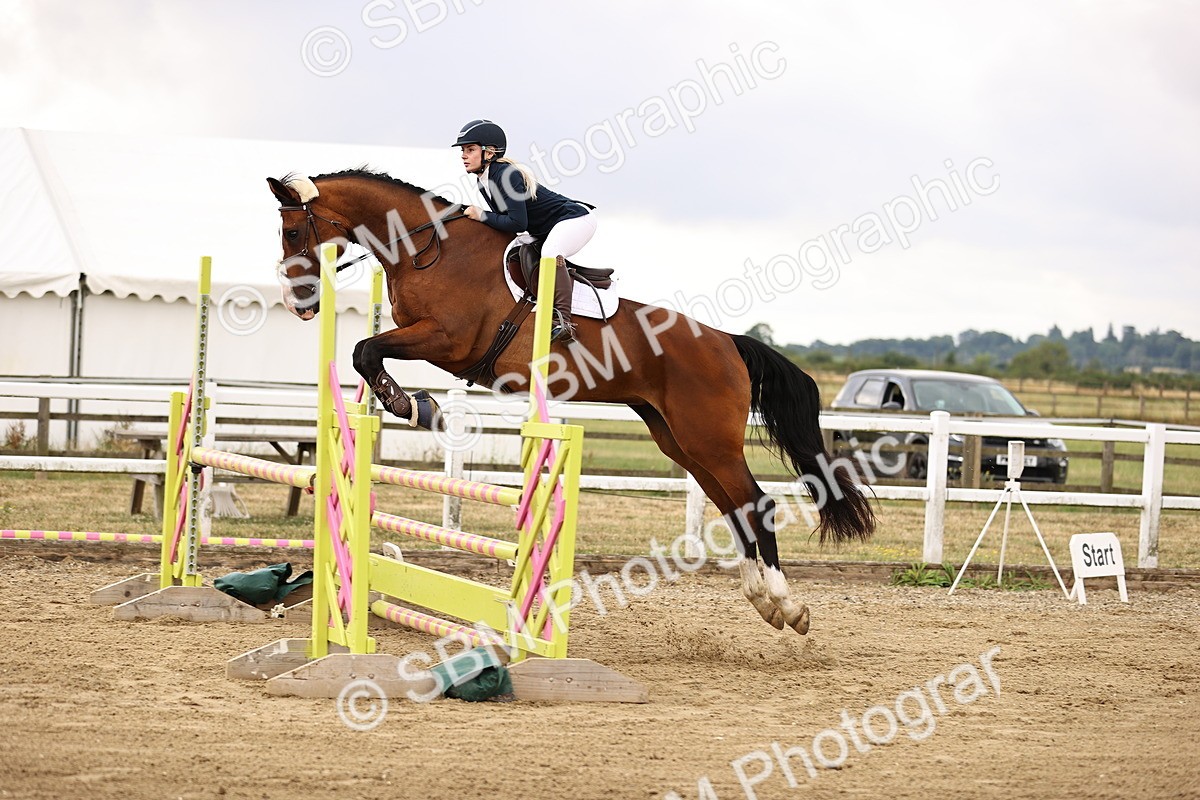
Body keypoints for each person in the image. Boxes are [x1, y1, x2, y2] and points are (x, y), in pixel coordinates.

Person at [453, 119, 596, 342]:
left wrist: (481, 215)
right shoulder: (484, 180)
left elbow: (517, 224)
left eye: (470, 149)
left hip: (576, 219)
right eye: (463, 150)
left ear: (489, 153)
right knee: (513, 249)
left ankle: (563, 321)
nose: (463, 155)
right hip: (545, 227)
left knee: (550, 253)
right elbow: (507, 225)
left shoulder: (505, 174)